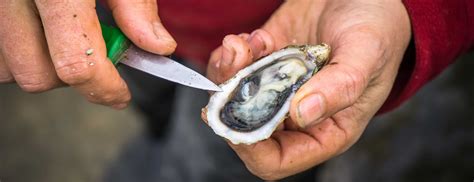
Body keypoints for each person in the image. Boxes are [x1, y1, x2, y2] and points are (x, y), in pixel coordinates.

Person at [0, 0, 472, 181]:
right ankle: (157, 140)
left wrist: (411, 9)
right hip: (116, 20)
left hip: (264, 33)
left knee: (208, 168)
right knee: (143, 98)